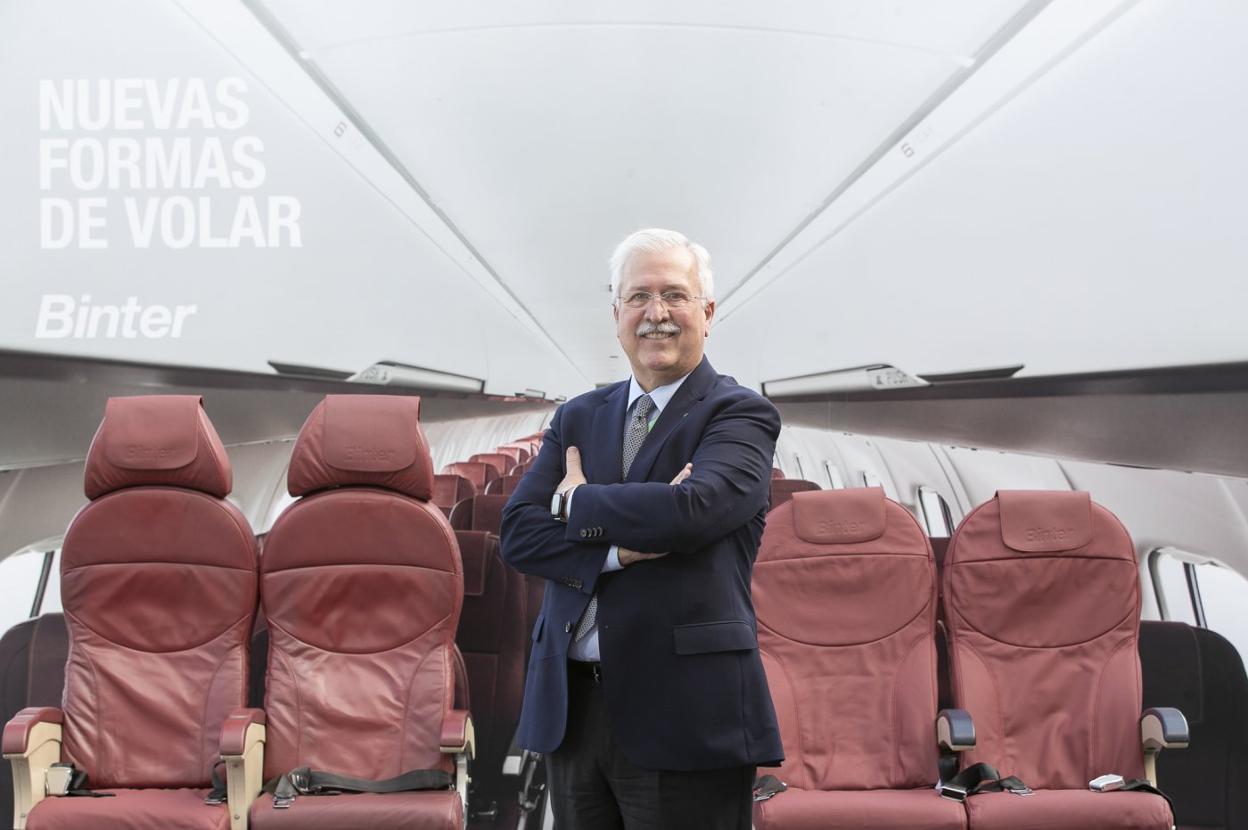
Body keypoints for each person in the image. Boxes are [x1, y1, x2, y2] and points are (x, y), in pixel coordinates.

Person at [500, 228, 783, 829]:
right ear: (616, 314)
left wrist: (576, 504)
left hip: (685, 709)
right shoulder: (578, 414)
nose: (656, 314)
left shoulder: (738, 414)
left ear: (707, 313)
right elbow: (520, 533)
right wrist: (617, 552)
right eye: (638, 297)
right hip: (574, 709)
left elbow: (694, 511)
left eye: (674, 295)